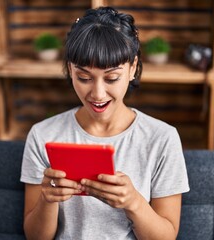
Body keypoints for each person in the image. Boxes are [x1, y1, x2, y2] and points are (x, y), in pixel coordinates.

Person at [20, 6, 189, 240]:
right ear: (70, 69)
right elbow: (35, 237)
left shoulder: (162, 138)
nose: (98, 94)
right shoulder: (42, 135)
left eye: (111, 78)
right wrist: (48, 199)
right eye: (84, 78)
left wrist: (133, 202)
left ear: (132, 69)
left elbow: (166, 237)